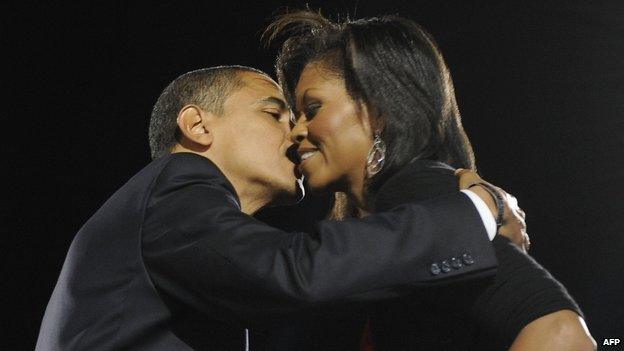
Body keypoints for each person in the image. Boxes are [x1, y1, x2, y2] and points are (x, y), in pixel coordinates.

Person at [36, 65, 525, 350]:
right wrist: (475, 210)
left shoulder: (178, 223)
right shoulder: (176, 184)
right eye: (274, 114)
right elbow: (293, 272)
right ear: (198, 126)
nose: (297, 133)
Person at [265, 10, 596, 351]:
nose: (296, 131)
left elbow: (563, 336)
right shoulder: (405, 206)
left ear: (379, 111)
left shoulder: (419, 190)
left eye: (313, 108)